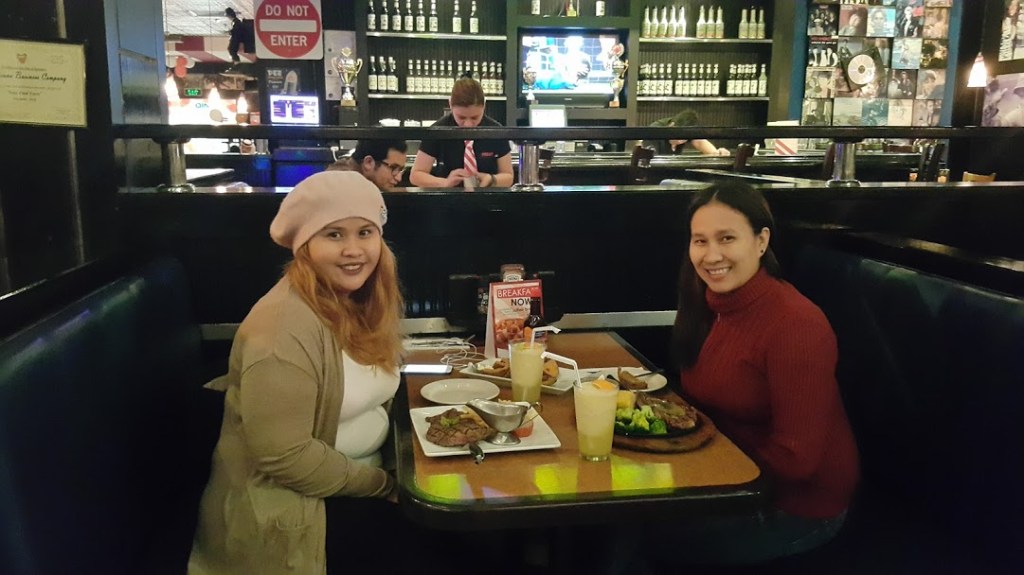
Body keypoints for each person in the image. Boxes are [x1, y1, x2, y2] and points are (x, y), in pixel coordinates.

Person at [188, 171, 417, 574]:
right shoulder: (282, 330)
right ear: (304, 246)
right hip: (295, 518)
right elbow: (286, 457)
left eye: (365, 232)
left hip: (358, 484)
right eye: (333, 235)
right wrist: (384, 485)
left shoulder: (355, 299)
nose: (353, 250)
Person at [666, 182, 859, 565]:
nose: (711, 255)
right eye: (700, 241)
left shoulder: (795, 325)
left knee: (634, 533)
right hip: (733, 481)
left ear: (761, 241)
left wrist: (698, 471)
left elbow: (796, 460)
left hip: (797, 507)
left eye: (727, 238)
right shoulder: (709, 304)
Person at [410, 74, 513, 189]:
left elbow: (508, 176)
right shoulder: (437, 131)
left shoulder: (496, 131)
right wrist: (445, 182)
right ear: (450, 105)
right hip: (448, 197)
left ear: (484, 106)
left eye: (474, 117)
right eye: (461, 117)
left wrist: (491, 179)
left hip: (488, 197)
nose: (468, 124)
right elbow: (416, 175)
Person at [327, 139, 408, 190]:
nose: (399, 178)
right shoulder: (345, 188)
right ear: (368, 162)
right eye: (393, 168)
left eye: (400, 170)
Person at [647, 110, 730, 156]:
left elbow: (700, 142)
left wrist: (717, 153)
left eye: (683, 139)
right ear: (672, 125)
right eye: (677, 136)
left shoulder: (687, 129)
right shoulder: (655, 131)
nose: (679, 141)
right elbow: (650, 159)